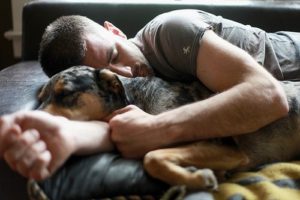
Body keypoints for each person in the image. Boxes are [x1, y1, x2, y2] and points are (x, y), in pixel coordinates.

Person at [1, 9, 299, 180]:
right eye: (109, 74)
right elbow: (123, 130)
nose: (125, 74)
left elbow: (269, 97)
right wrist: (65, 134)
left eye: (114, 54)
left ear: (115, 31)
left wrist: (157, 130)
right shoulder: (135, 90)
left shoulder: (169, 33)